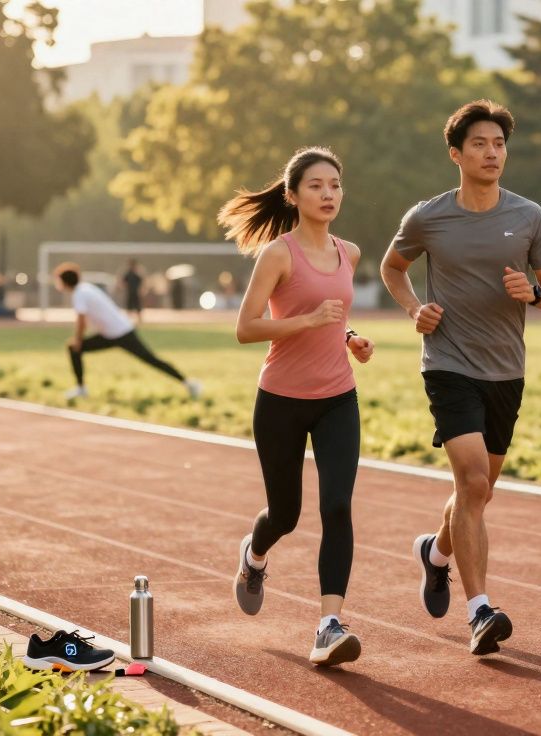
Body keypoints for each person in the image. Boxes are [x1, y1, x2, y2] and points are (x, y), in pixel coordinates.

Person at [380, 100, 541, 656]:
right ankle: (480, 610)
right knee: (473, 481)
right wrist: (415, 309)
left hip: (506, 370)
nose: (492, 153)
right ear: (456, 154)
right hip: (448, 364)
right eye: (480, 144)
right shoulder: (427, 217)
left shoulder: (529, 216)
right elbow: (394, 267)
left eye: (499, 144)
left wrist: (532, 292)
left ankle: (436, 554)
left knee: (478, 494)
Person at [220, 147, 375, 667]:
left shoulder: (348, 252)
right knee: (285, 514)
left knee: (337, 506)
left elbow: (334, 315)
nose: (328, 193)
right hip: (281, 401)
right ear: (293, 195)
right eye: (315, 185)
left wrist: (349, 336)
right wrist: (308, 322)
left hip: (337, 398)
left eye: (335, 184)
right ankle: (254, 553)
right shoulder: (278, 254)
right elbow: (246, 329)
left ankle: (329, 624)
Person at [52, 263, 201, 401]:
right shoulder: (85, 288)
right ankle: (81, 389)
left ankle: (188, 383)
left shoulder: (80, 293)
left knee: (150, 359)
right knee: (73, 349)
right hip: (109, 334)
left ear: (65, 282)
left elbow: (81, 321)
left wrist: (78, 339)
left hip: (122, 333)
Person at [121, 259, 145, 324]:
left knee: (137, 306)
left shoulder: (137, 274)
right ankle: (128, 319)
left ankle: (140, 319)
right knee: (129, 306)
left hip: (135, 292)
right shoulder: (128, 274)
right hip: (130, 292)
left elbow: (141, 282)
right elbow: (123, 282)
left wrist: (141, 290)